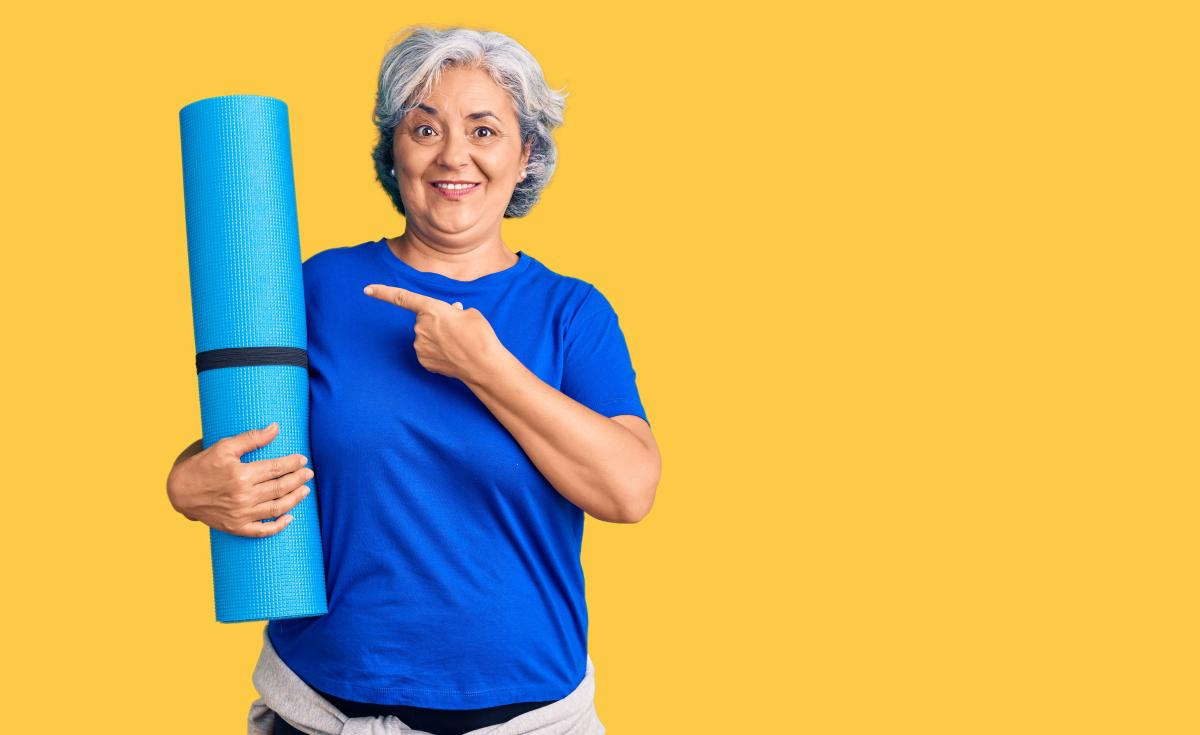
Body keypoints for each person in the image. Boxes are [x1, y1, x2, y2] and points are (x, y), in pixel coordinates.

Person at [165, 25, 661, 735]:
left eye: (484, 130)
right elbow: (247, 442)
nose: (453, 154)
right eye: (424, 127)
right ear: (393, 153)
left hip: (528, 722)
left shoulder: (570, 312)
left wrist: (485, 367)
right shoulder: (320, 287)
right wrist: (185, 482)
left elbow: (629, 488)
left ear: (525, 155)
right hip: (323, 716)